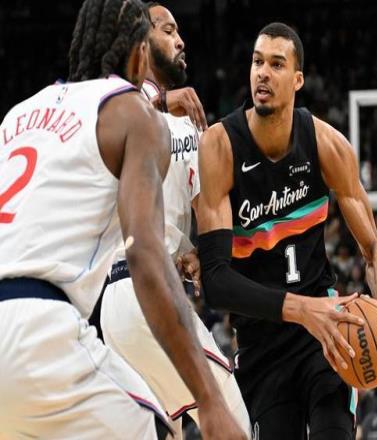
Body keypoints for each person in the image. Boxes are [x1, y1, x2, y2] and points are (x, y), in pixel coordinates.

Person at [0, 1, 245, 439]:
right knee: (190, 424)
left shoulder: (17, 116)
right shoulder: (134, 113)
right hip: (40, 330)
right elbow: (145, 255)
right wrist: (208, 402)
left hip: (32, 325)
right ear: (139, 53)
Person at [197, 22, 377, 438]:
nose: (263, 73)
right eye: (257, 62)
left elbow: (373, 252)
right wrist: (301, 309)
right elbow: (216, 282)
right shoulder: (220, 146)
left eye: (277, 64)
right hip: (260, 345)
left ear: (297, 80)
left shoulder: (327, 145)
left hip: (325, 338)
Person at [99, 4, 251, 438]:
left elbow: (204, 216)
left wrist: (196, 252)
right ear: (141, 43)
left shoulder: (192, 126)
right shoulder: (119, 104)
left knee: (170, 430)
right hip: (142, 289)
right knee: (233, 420)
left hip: (127, 305)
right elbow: (105, 116)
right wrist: (162, 99)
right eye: (168, 31)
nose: (181, 41)